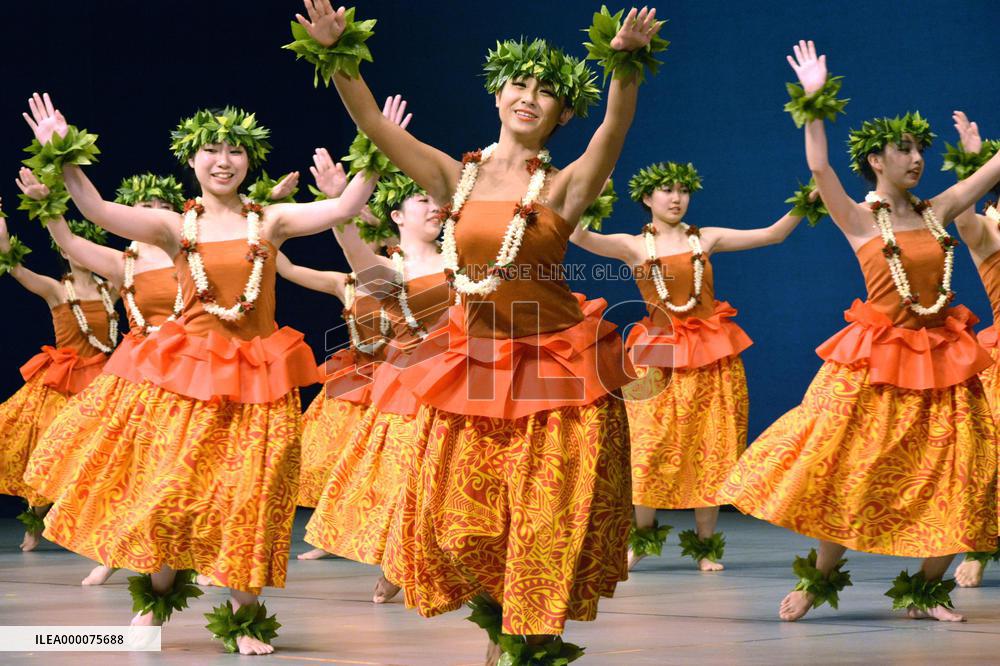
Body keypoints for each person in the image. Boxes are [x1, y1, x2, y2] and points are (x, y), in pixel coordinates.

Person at [287, 2, 665, 661]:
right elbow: (373, 124)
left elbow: (616, 124)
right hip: (474, 372)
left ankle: (521, 649)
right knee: (469, 530)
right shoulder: (451, 177)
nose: (529, 96)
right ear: (497, 93)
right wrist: (340, 55)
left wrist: (624, 64)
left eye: (546, 90)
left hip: (554, 376)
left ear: (561, 114)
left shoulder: (566, 185)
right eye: (518, 83)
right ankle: (501, 640)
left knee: (543, 531)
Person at [21, 92, 403, 654]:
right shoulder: (175, 228)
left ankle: (244, 622)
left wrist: (375, 145)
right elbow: (98, 213)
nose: (223, 160)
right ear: (192, 160)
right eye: (210, 151)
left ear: (249, 161)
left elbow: (343, 208)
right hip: (190, 380)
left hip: (258, 381)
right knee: (173, 493)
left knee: (251, 498)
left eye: (234, 151)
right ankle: (156, 598)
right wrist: (65, 156)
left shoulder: (268, 221)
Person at [717, 40, 1000, 623]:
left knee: (957, 471)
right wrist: (815, 101)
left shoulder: (937, 210)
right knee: (844, 467)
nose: (916, 157)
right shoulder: (857, 218)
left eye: (921, 148)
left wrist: (979, 155)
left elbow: (991, 174)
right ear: (876, 160)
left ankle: (927, 591)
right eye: (903, 149)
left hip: (946, 357)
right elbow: (819, 167)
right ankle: (819, 581)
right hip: (878, 359)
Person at [570, 161, 814, 572]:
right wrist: (595, 192)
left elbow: (773, 234)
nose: (676, 197)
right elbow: (577, 234)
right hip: (656, 356)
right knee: (647, 446)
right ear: (647, 198)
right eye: (666, 190)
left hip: (710, 355)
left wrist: (807, 201)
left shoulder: (707, 239)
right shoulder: (632, 245)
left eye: (683, 190)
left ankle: (705, 547)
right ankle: (643, 538)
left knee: (711, 446)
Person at [18, 169, 182, 585]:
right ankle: (114, 552)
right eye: (147, 207)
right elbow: (70, 243)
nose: (156, 214)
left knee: (185, 468)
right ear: (127, 213)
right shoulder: (120, 264)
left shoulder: (192, 253)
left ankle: (186, 555)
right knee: (133, 466)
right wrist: (48, 203)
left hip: (196, 368)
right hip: (144, 375)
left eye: (164, 207)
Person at [0, 195, 117, 553]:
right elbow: (15, 267)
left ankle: (100, 527)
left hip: (103, 380)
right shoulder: (55, 289)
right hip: (63, 381)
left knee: (102, 454)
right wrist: (2, 234)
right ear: (65, 252)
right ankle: (35, 523)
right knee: (50, 451)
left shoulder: (110, 288)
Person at [941, 111, 1000, 589]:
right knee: (991, 458)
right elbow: (963, 217)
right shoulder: (988, 232)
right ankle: (979, 548)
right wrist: (972, 159)